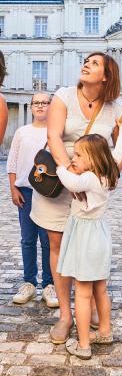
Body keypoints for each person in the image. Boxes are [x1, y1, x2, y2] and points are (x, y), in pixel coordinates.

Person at [37, 52, 122, 345]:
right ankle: (66, 314)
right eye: (85, 61)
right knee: (57, 245)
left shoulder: (117, 108)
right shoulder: (64, 96)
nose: (86, 64)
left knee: (86, 248)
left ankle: (89, 306)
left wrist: (106, 178)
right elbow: (53, 137)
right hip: (60, 178)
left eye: (95, 63)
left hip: (88, 184)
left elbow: (120, 150)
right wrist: (71, 175)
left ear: (106, 76)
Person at [55, 122, 122, 359]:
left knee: (83, 293)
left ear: (94, 159)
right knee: (101, 289)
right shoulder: (108, 173)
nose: (73, 158)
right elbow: (119, 152)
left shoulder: (87, 179)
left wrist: (60, 167)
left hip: (85, 238)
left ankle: (84, 344)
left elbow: (70, 182)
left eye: (78, 155)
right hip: (99, 235)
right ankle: (105, 331)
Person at [7, 93, 57, 307]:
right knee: (28, 240)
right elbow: (13, 162)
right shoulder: (21, 132)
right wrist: (13, 188)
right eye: (36, 102)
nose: (39, 106)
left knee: (48, 241)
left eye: (44, 103)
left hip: (48, 194)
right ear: (31, 106)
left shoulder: (56, 132)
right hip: (26, 192)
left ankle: (49, 284)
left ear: (51, 106)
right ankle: (29, 282)